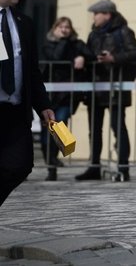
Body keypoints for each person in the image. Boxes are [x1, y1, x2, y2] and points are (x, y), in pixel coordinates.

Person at [0, 0, 55, 207]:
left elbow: (32, 70)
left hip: (14, 112)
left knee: (20, 165)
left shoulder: (24, 23)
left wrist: (43, 105)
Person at [75, 0, 136, 183]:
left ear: (107, 15)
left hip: (116, 86)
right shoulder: (94, 34)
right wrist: (82, 56)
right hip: (96, 87)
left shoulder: (124, 32)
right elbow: (88, 53)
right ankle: (94, 166)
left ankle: (123, 167)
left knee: (118, 127)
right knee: (94, 129)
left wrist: (114, 58)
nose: (94, 17)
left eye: (97, 13)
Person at [39, 16, 88, 181]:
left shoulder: (76, 44)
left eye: (67, 27)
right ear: (55, 29)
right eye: (61, 27)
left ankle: (53, 161)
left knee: (60, 124)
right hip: (49, 94)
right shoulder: (48, 45)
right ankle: (51, 167)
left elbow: (91, 54)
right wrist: (62, 41)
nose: (64, 30)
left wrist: (83, 57)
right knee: (47, 131)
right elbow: (56, 58)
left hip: (68, 93)